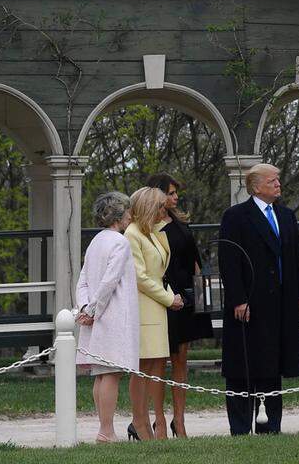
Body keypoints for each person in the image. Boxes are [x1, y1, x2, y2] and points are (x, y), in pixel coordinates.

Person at [217, 163, 299, 436]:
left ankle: (271, 424)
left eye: (278, 180)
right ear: (256, 186)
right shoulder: (236, 216)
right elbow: (229, 262)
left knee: (273, 364)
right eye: (273, 181)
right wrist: (238, 299)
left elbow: (296, 259)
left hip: (281, 302)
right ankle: (241, 425)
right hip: (249, 303)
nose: (278, 185)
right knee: (244, 365)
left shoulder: (286, 215)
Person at [146, 173, 213, 439]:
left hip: (185, 297)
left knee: (181, 360)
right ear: (157, 193)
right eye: (170, 193)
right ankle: (159, 421)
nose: (175, 198)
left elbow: (195, 261)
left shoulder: (180, 222)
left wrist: (202, 295)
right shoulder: (146, 226)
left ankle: (180, 421)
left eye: (176, 193)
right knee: (159, 361)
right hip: (160, 297)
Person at [75, 191, 138, 444]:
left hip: (96, 314)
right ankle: (106, 430)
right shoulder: (120, 242)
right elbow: (109, 281)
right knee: (110, 373)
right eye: (128, 212)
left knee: (101, 374)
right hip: (112, 315)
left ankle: (105, 429)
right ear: (119, 215)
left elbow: (83, 280)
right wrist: (92, 310)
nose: (131, 216)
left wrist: (85, 307)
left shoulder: (96, 241)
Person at [124, 186, 183, 441]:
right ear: (149, 207)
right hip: (144, 307)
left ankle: (154, 421)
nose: (165, 209)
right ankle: (139, 422)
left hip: (157, 308)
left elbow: (160, 269)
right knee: (141, 366)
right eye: (160, 206)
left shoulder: (151, 232)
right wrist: (169, 299)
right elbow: (140, 277)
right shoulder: (132, 234)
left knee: (156, 365)